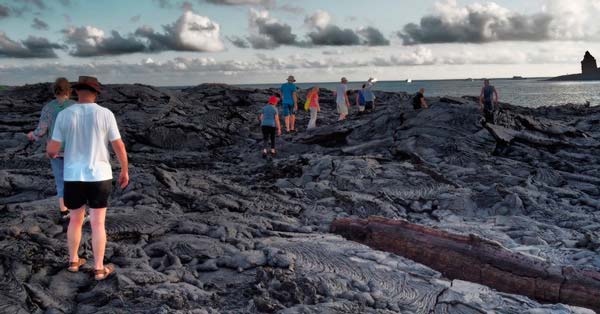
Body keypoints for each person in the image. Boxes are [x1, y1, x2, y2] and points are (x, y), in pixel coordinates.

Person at [47, 76, 129, 281]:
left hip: (74, 175)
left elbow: (52, 150)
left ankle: (74, 261)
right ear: (96, 93)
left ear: (76, 92)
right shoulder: (105, 114)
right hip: (100, 176)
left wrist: (54, 153)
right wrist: (124, 170)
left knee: (75, 220)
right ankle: (99, 269)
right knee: (97, 223)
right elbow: (118, 145)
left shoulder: (65, 115)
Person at [27, 78, 76, 220]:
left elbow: (41, 130)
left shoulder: (49, 107)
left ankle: (64, 212)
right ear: (69, 91)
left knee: (60, 181)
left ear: (55, 91)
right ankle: (77, 211)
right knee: (75, 181)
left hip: (55, 151)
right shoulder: (75, 106)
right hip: (74, 151)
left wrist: (32, 135)